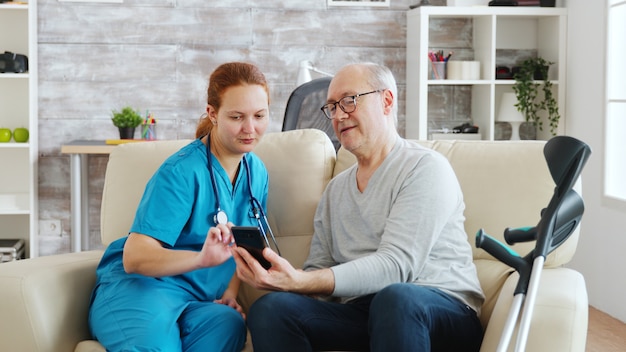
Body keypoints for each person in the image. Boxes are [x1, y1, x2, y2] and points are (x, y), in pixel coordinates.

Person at [231, 62, 485, 352]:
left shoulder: (425, 168)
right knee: (272, 309)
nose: (339, 115)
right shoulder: (336, 191)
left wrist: (301, 280)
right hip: (367, 312)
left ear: (386, 101)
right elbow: (319, 277)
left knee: (396, 299)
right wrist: (282, 280)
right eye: (332, 107)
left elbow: (396, 267)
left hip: (439, 308)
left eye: (349, 101)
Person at [88, 61, 272, 352]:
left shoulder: (256, 173)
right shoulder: (182, 171)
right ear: (212, 113)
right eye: (237, 117)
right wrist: (201, 259)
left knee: (229, 324)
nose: (250, 128)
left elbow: (242, 242)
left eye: (260, 115)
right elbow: (134, 257)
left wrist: (229, 293)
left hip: (198, 301)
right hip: (141, 288)